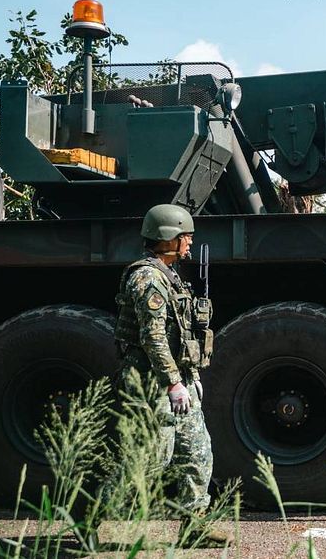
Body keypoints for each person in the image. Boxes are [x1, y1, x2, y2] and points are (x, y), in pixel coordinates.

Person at [112, 203, 232, 548]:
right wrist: (173, 383)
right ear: (168, 237)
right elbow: (153, 337)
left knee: (198, 453)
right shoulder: (147, 279)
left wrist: (188, 377)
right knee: (152, 460)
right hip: (153, 384)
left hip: (177, 380)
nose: (189, 244)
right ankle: (90, 516)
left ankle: (195, 524)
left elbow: (178, 331)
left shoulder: (169, 274)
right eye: (185, 237)